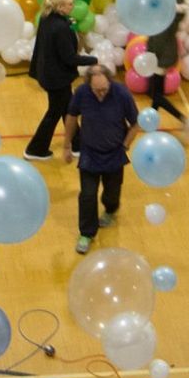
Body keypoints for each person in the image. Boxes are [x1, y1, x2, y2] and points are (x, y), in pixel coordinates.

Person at [65, 64, 137, 253]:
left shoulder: (121, 94)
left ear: (110, 83)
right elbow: (72, 117)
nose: (101, 94)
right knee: (87, 195)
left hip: (114, 153)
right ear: (89, 86)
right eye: (96, 91)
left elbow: (136, 122)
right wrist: (66, 145)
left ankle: (110, 209)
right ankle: (86, 234)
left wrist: (125, 145)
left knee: (112, 192)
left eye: (104, 90)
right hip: (90, 153)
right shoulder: (81, 93)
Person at [23, 0, 96, 161]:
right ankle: (35, 148)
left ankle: (78, 144)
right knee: (55, 112)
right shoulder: (60, 27)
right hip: (57, 78)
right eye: (70, 4)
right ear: (61, 6)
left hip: (49, 74)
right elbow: (69, 58)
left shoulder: (47, 18)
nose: (73, 6)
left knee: (67, 110)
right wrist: (92, 60)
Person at [142, 0, 189, 133]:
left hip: (163, 54)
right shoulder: (163, 4)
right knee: (155, 92)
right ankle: (151, 123)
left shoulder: (174, 7)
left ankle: (183, 119)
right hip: (157, 51)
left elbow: (183, 10)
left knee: (156, 94)